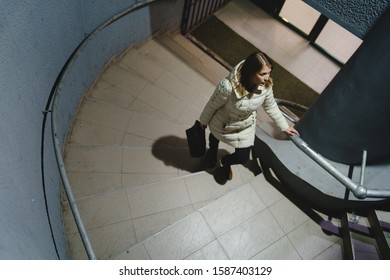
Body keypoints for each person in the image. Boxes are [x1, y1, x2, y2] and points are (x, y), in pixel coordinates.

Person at [199, 52, 299, 182]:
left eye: (269, 73)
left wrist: (284, 126)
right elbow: (212, 105)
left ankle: (225, 162)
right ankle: (212, 153)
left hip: (245, 124)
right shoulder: (228, 87)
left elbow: (271, 106)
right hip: (224, 121)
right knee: (215, 136)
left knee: (242, 157)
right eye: (262, 74)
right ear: (251, 72)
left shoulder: (266, 87)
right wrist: (203, 121)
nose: (267, 78)